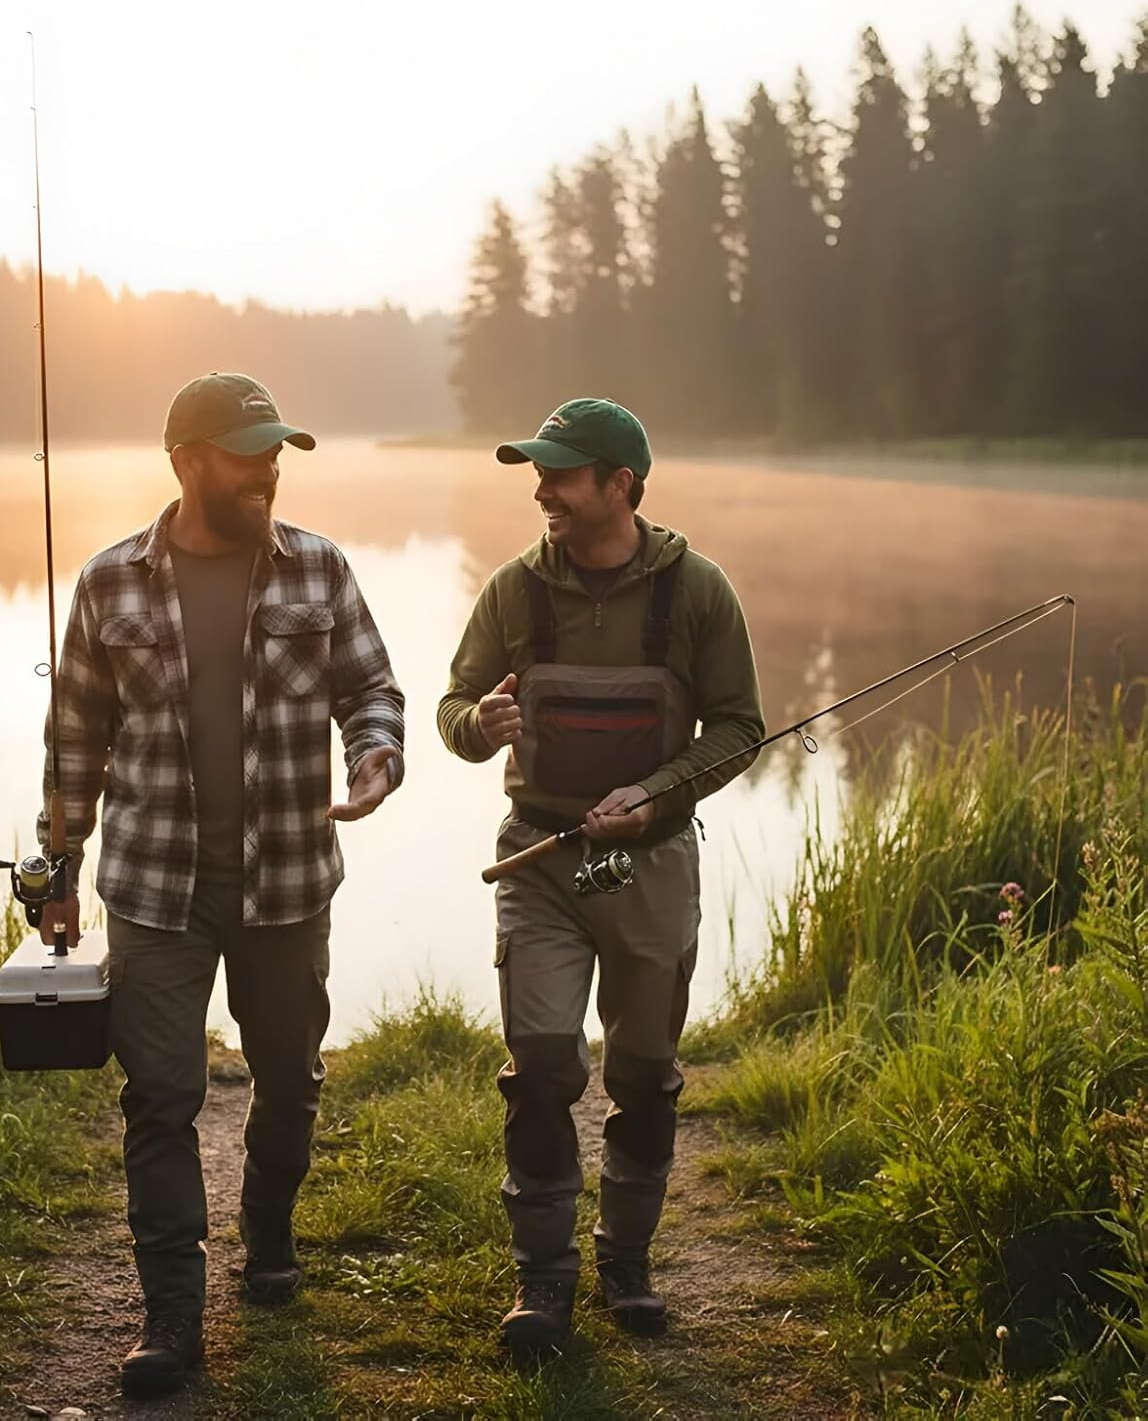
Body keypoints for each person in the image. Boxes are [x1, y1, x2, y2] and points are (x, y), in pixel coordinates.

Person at [38, 372, 405, 1396]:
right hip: (155, 890)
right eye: (247, 454)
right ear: (187, 461)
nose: (267, 469)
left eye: (274, 451)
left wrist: (376, 754)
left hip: (287, 881)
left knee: (289, 1081)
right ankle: (171, 1314)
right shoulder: (108, 583)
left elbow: (371, 688)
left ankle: (269, 1232)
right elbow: (75, 740)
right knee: (161, 1097)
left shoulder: (320, 568)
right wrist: (59, 869)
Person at [436, 397, 763, 1359]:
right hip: (538, 859)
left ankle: (627, 1262)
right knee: (542, 1070)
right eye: (539, 473)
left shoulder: (699, 592)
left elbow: (740, 729)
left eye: (561, 474)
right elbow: (455, 707)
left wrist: (656, 798)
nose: (542, 490)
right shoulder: (511, 589)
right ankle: (543, 1279)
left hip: (650, 865)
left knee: (644, 1075)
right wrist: (476, 728)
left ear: (621, 484)